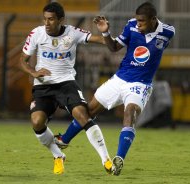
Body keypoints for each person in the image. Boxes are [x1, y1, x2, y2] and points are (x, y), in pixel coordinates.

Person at [54, 2, 175, 176]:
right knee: (89, 111)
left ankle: (119, 158)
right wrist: (105, 32)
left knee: (130, 112)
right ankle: (64, 139)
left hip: (140, 84)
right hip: (119, 79)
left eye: (142, 21)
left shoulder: (168, 32)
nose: (138, 24)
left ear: (154, 19)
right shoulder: (131, 25)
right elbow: (113, 48)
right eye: (138, 20)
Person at [19, 2, 112, 175]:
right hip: (43, 86)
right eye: (45, 19)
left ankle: (106, 160)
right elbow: (22, 60)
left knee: (82, 115)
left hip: (66, 83)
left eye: (51, 19)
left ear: (61, 20)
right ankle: (58, 155)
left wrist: (105, 32)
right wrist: (34, 72)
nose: (47, 23)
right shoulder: (36, 33)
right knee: (37, 121)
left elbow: (100, 41)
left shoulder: (73, 33)